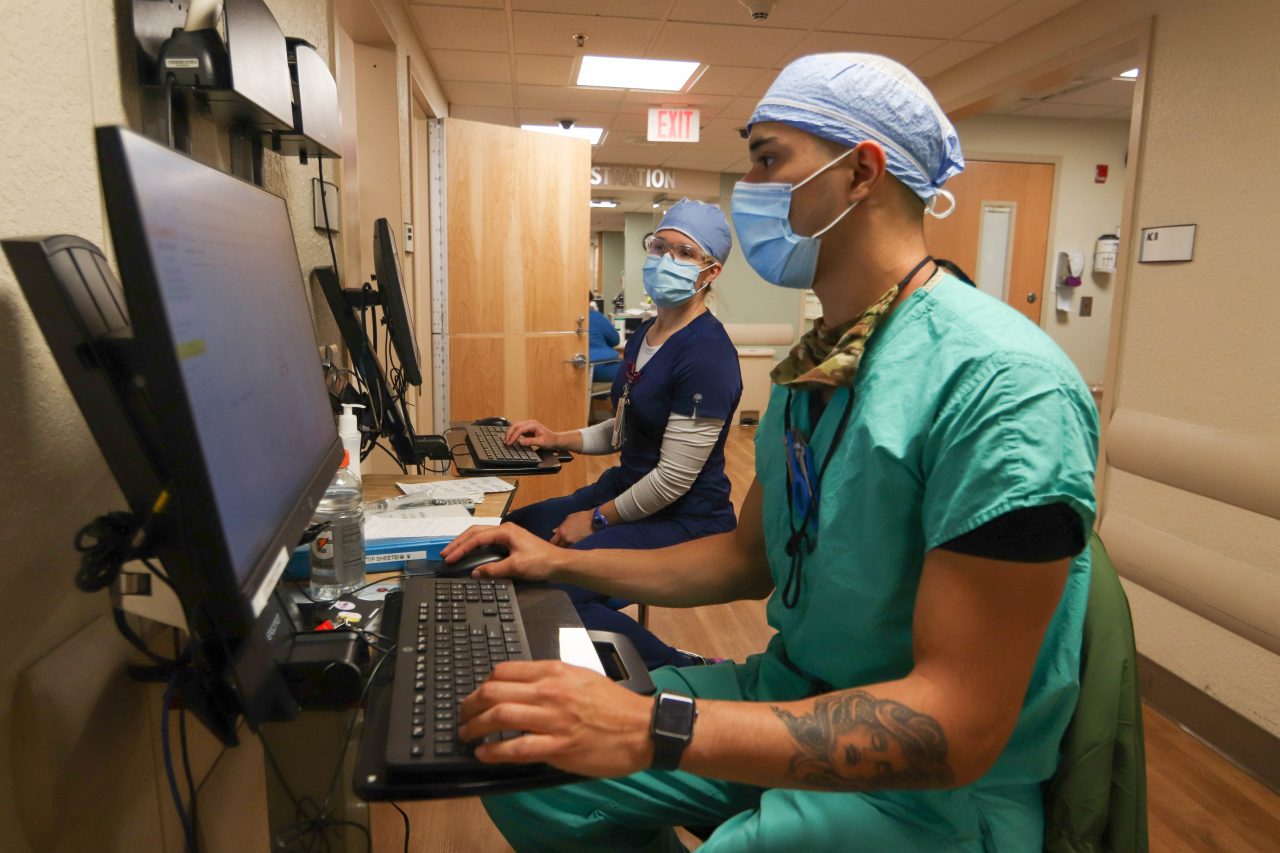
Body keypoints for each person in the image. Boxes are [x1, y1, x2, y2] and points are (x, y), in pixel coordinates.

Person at [441, 53, 1098, 851]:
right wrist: (555, 560)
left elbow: (956, 725)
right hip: (790, 688)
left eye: (766, 159)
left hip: (929, 789)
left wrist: (651, 729)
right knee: (526, 763)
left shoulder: (1002, 385)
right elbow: (744, 558)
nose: (747, 188)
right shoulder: (820, 364)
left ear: (861, 173)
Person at [499, 199, 744, 670]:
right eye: (660, 247)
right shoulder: (647, 333)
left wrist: (595, 520)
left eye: (684, 253)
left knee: (551, 593)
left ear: (710, 272)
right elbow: (627, 424)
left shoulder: (707, 356)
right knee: (512, 535)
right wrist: (556, 438)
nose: (666, 259)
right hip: (625, 492)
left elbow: (673, 479)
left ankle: (683, 668)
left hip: (682, 518)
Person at [586, 297, 621, 383]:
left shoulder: (562, 319)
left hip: (577, 368)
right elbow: (615, 340)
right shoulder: (594, 315)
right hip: (600, 366)